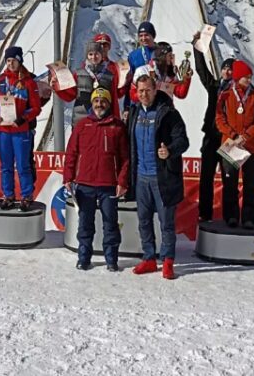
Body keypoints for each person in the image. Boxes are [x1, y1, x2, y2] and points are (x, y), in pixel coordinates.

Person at [127, 75, 189, 280]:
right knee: (144, 221)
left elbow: (183, 141)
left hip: (162, 177)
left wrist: (169, 151)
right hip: (141, 177)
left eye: (147, 90)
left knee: (166, 222)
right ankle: (149, 258)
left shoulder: (169, 113)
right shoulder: (135, 112)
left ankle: (168, 260)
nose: (144, 94)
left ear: (155, 90)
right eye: (140, 91)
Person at [63, 88, 130, 271]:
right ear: (91, 104)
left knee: (110, 223)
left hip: (108, 184)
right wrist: (68, 177)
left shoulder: (117, 126)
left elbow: (125, 158)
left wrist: (122, 181)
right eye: (96, 101)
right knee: (85, 223)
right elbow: (72, 153)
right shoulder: (83, 125)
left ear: (108, 104)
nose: (99, 104)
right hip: (85, 184)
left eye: (103, 101)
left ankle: (111, 259)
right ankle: (84, 257)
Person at [215, 60, 254, 228]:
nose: (249, 80)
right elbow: (219, 119)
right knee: (230, 183)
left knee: (250, 184)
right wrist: (233, 135)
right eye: (246, 77)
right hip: (230, 144)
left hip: (250, 145)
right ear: (237, 77)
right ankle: (231, 216)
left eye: (250, 77)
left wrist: (245, 136)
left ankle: (248, 217)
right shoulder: (226, 95)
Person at [0, 46, 42, 211]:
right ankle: (8, 195)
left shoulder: (28, 82)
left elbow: (36, 108)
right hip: (4, 131)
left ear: (20, 61)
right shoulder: (0, 81)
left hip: (21, 131)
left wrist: (22, 119)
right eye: (8, 61)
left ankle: (26, 195)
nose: (11, 63)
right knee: (6, 165)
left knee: (23, 165)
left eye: (13, 60)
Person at [192, 30, 235, 221]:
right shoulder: (214, 86)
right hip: (211, 136)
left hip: (229, 140)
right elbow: (202, 71)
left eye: (230, 69)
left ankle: (230, 216)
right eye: (225, 68)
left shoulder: (238, 92)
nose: (227, 72)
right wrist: (197, 48)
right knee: (206, 178)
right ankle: (205, 214)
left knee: (230, 179)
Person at [52, 40, 123, 125]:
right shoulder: (78, 74)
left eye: (97, 54)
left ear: (101, 55)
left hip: (104, 120)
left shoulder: (109, 75)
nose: (94, 57)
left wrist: (116, 120)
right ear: (87, 56)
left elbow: (114, 100)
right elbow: (70, 95)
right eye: (91, 54)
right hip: (81, 119)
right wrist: (57, 86)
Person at [123, 21, 158, 117]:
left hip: (158, 100)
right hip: (138, 102)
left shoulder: (161, 52)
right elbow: (129, 84)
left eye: (146, 35)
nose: (143, 38)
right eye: (141, 36)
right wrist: (126, 106)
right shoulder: (133, 56)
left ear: (153, 36)